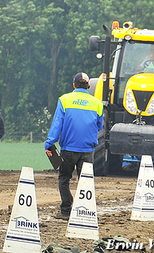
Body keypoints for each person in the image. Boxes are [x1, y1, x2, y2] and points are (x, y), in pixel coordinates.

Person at [45, 72, 103, 219]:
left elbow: (57, 124)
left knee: (64, 178)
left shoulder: (64, 100)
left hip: (68, 149)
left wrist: (49, 143)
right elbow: (99, 125)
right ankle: (85, 211)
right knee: (86, 181)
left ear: (74, 85)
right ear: (88, 85)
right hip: (88, 150)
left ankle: (66, 211)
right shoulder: (97, 103)